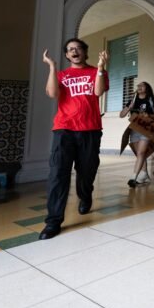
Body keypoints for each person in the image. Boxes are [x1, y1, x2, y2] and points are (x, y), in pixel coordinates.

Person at [39, 38, 109, 240]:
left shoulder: (97, 71)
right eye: (70, 50)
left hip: (90, 130)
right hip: (64, 129)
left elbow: (98, 92)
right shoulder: (61, 75)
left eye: (78, 48)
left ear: (85, 52)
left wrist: (101, 67)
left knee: (87, 170)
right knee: (57, 174)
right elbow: (52, 93)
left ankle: (85, 194)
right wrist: (52, 66)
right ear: (67, 56)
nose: (75, 51)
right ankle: (53, 221)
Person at [120, 82, 154, 187]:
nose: (139, 87)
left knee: (141, 152)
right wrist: (129, 108)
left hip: (146, 129)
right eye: (138, 86)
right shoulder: (133, 100)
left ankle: (133, 177)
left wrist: (149, 115)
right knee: (139, 154)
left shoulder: (151, 100)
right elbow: (121, 115)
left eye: (142, 86)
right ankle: (144, 174)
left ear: (147, 88)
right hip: (134, 129)